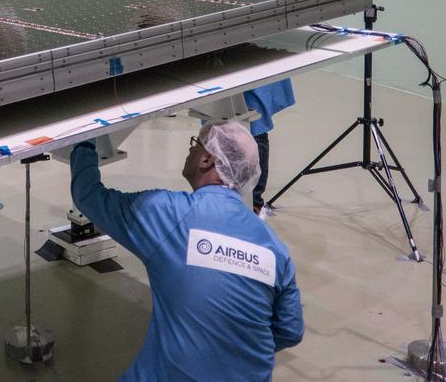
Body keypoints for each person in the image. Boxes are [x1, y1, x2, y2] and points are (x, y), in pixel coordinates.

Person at [70, 121, 303, 381]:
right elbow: (291, 331)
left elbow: (88, 195)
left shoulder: (168, 214)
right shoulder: (274, 249)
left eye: (195, 143)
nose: (190, 150)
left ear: (207, 159)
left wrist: (86, 138)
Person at [173, 0, 295, 215]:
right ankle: (221, 191)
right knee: (214, 126)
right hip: (215, 62)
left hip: (248, 59)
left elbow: (258, 1)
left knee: (254, 128)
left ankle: (255, 201)